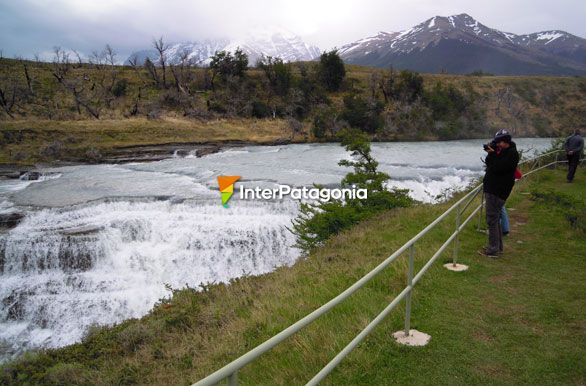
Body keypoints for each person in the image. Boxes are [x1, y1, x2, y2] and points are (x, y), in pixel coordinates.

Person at [479, 129, 519, 258]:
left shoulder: (511, 154)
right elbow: (491, 164)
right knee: (494, 220)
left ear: (506, 142)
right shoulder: (504, 152)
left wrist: (492, 154)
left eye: (499, 142)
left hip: (497, 191)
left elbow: (496, 168)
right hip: (494, 190)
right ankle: (497, 247)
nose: (497, 145)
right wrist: (492, 153)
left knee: (492, 219)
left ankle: (493, 250)